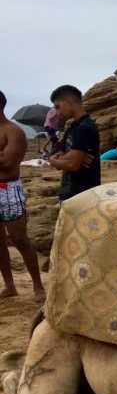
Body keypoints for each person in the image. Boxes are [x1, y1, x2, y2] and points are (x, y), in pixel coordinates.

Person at [0, 89, 46, 300]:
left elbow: (7, 162)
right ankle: (10, 285)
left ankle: (38, 286)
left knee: (19, 238)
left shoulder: (13, 131)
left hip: (8, 189)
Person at [48, 84, 100, 203]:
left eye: (58, 106)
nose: (57, 112)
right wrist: (69, 157)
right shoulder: (72, 128)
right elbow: (61, 156)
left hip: (84, 196)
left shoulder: (85, 127)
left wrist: (53, 160)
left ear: (68, 101)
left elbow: (72, 165)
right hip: (68, 193)